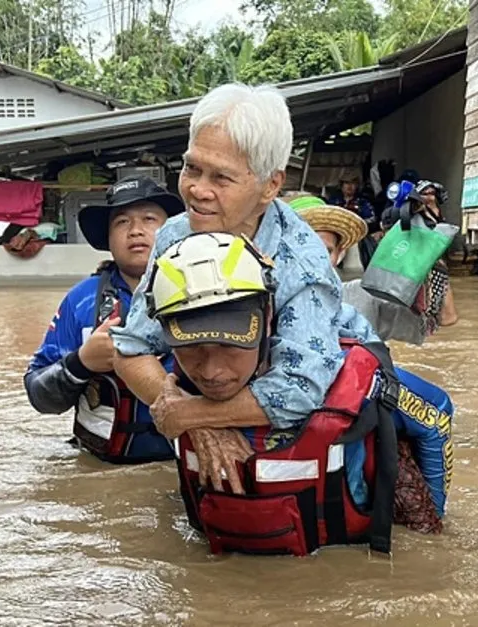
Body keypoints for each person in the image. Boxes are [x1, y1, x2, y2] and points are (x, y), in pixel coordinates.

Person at [142, 231, 455, 556]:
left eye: (230, 345)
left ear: (267, 319)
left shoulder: (341, 372)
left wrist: (429, 530)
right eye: (190, 349)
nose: (211, 371)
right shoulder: (169, 390)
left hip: (341, 566)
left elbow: (437, 414)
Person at [111, 82, 381, 444]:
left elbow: (302, 385)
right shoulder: (174, 237)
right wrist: (193, 417)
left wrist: (193, 414)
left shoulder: (300, 257)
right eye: (192, 168)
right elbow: (131, 349)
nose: (197, 190)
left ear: (270, 186)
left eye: (221, 177)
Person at [24, 175, 184, 464]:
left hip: (181, 468)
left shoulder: (205, 291)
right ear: (108, 239)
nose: (135, 231)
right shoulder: (81, 300)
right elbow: (39, 395)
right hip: (101, 468)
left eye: (149, 219)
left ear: (173, 230)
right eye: (122, 222)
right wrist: (81, 362)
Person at [287, 194, 445, 345]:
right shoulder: (268, 303)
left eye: (326, 251)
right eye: (306, 248)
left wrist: (429, 256)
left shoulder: (364, 295)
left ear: (339, 254)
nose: (317, 259)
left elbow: (439, 321)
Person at [378, 179, 459, 327]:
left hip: (434, 266)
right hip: (413, 267)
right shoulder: (408, 211)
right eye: (424, 194)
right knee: (417, 315)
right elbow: (391, 219)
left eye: (432, 194)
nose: (429, 198)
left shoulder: (437, 214)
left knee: (446, 317)